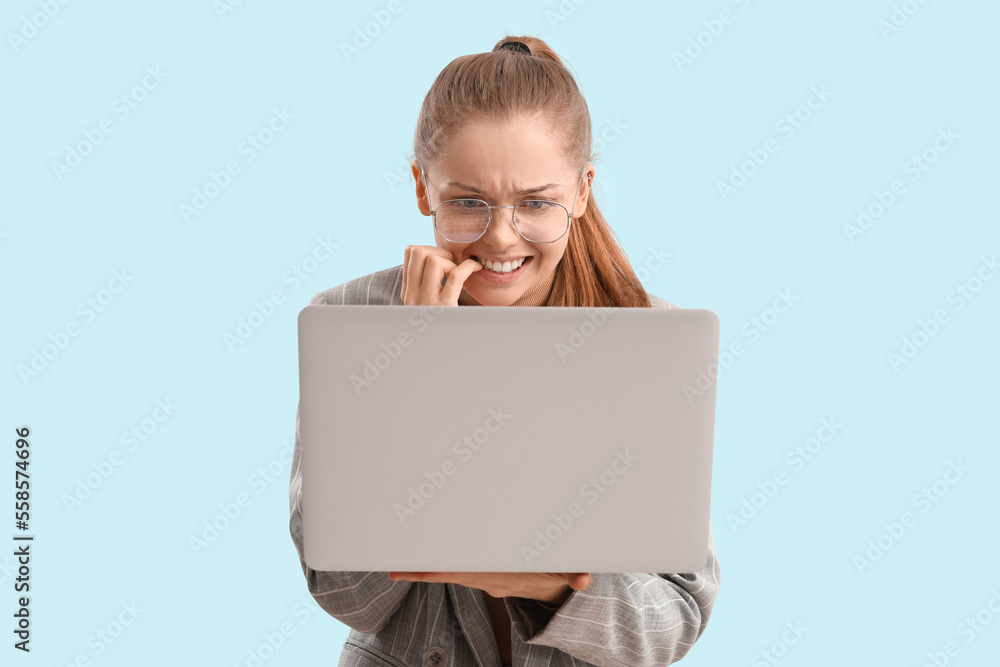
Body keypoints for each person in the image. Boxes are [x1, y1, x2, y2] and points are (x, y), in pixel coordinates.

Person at [288, 34, 720, 667]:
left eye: (536, 202)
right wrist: (415, 368)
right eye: (467, 202)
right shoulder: (352, 323)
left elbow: (672, 621)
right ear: (421, 188)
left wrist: (547, 587)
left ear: (582, 191)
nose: (499, 237)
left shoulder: (647, 340)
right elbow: (343, 594)